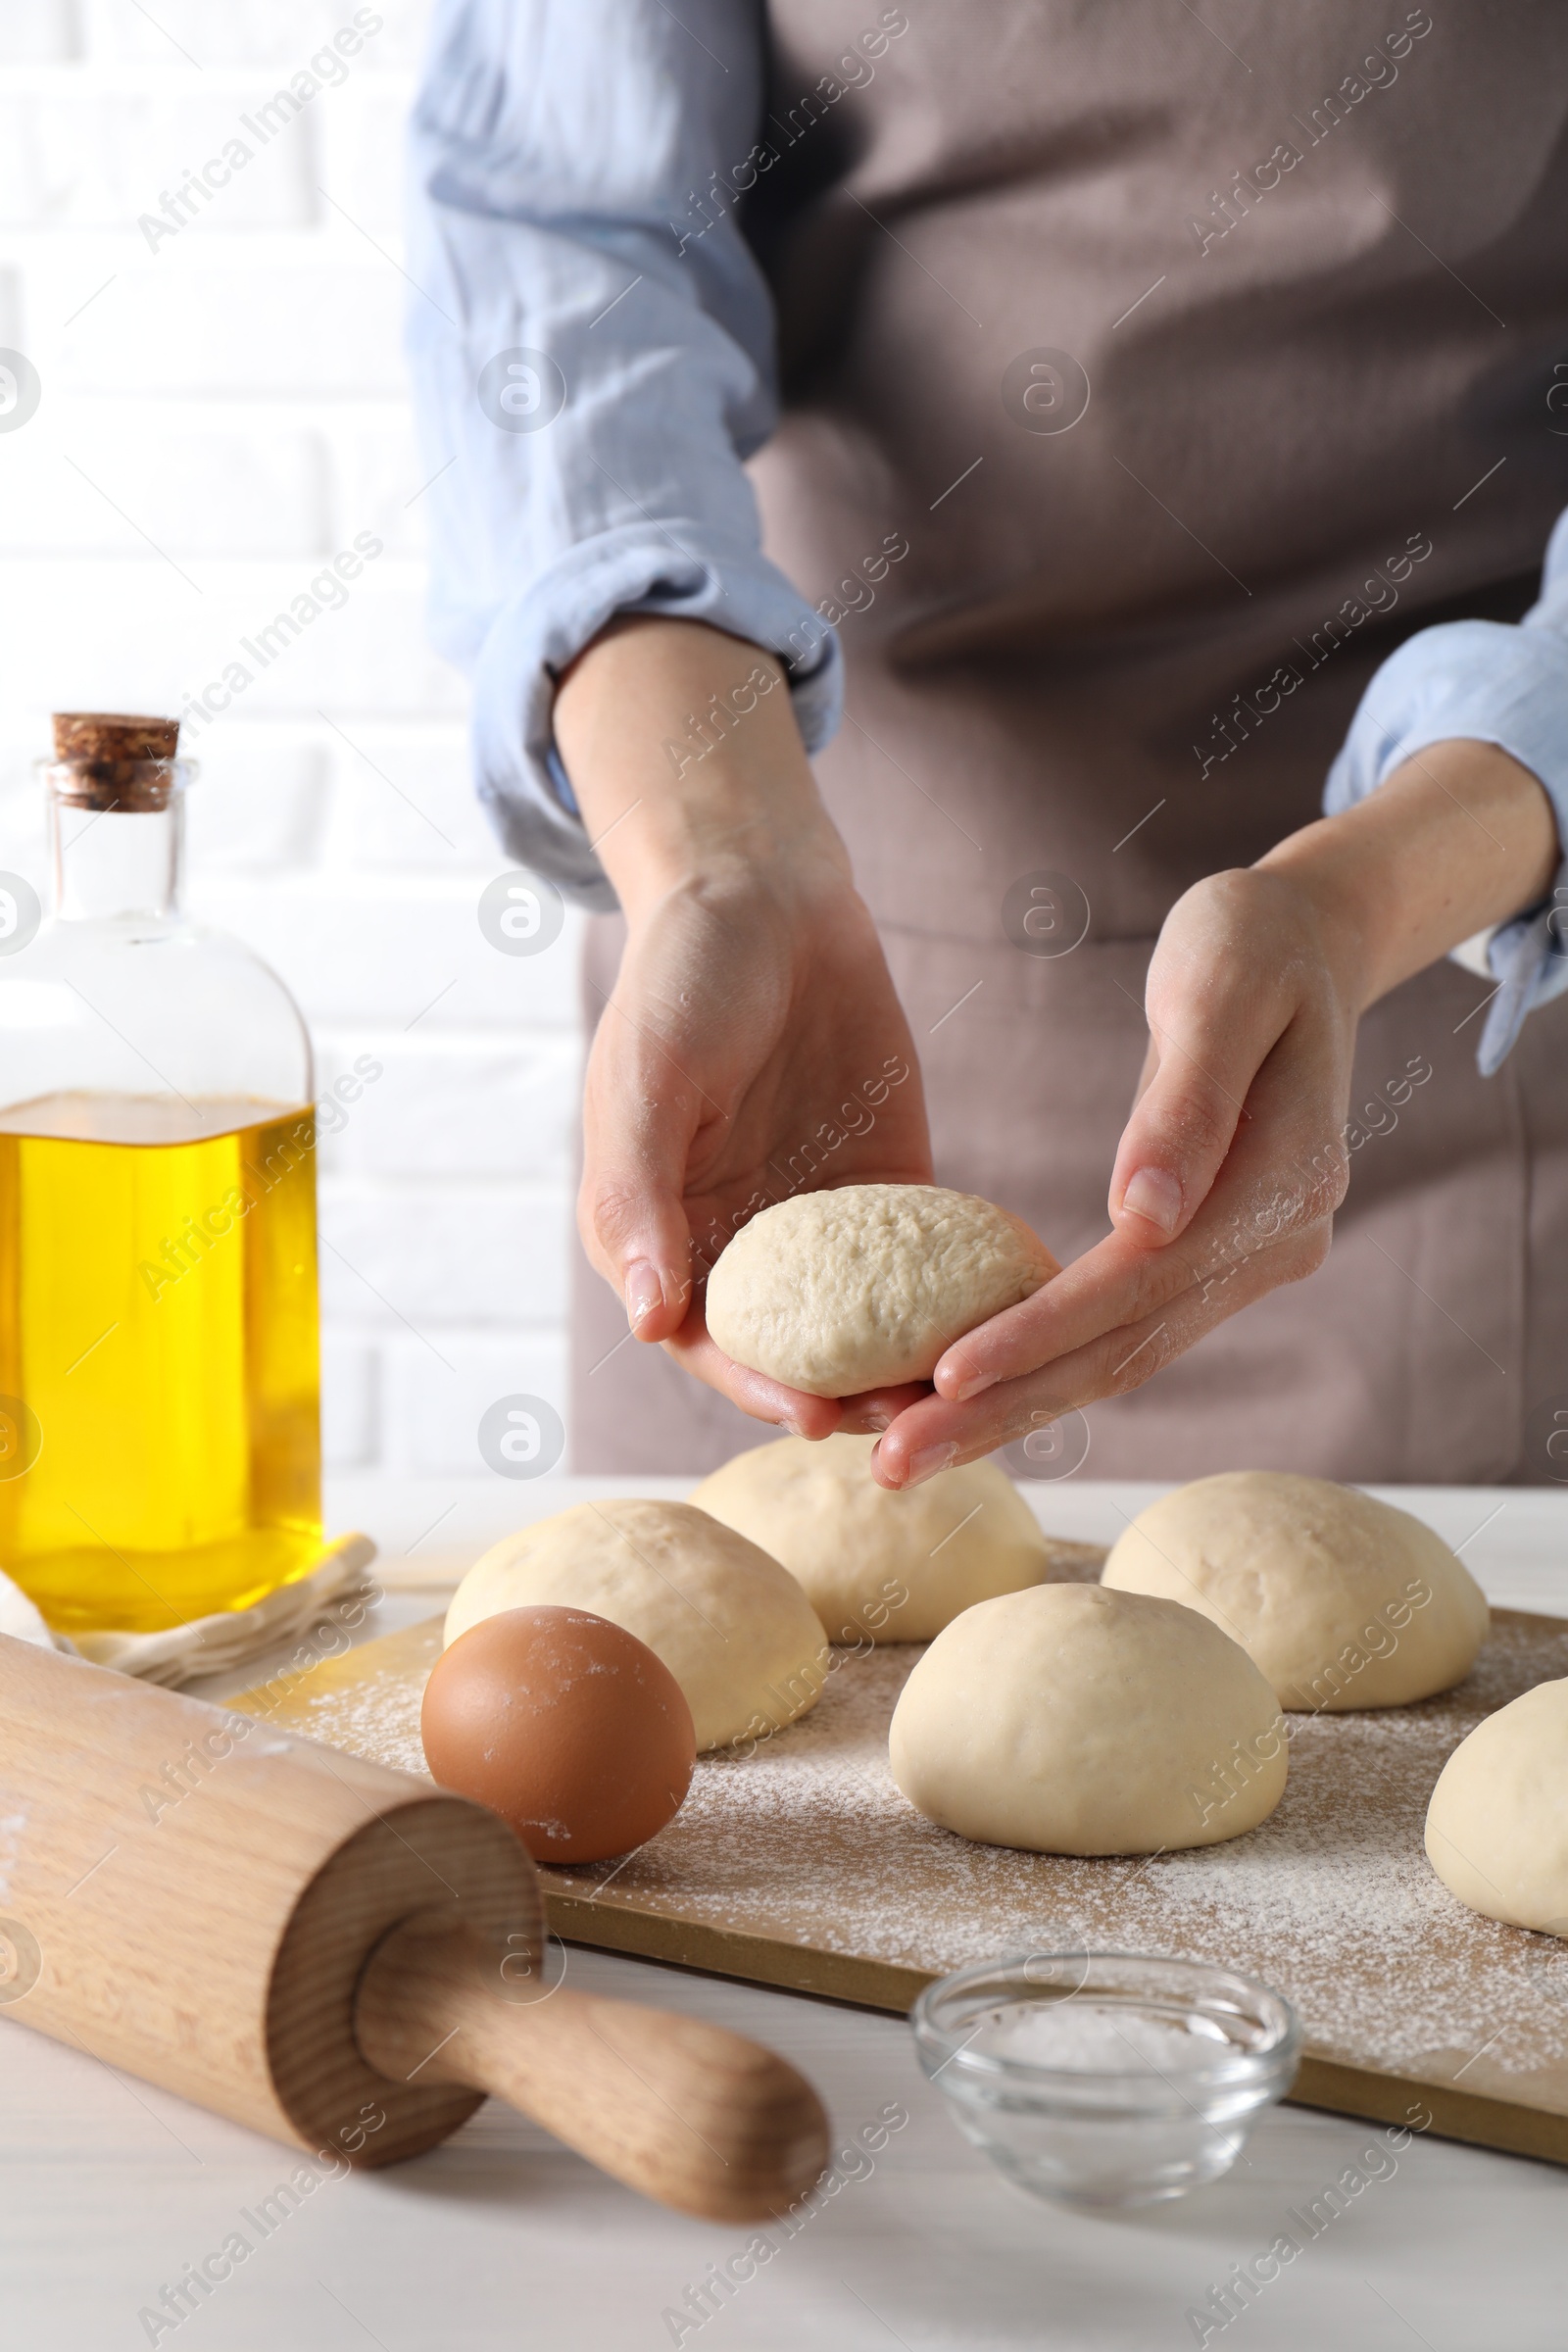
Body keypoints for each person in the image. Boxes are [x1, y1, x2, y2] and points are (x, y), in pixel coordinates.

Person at [406, 0, 1568, 1489]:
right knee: (736, 1701)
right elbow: (554, 226)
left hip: (1440, 1016)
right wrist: (716, 856)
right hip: (776, 1036)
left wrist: (1359, 902)